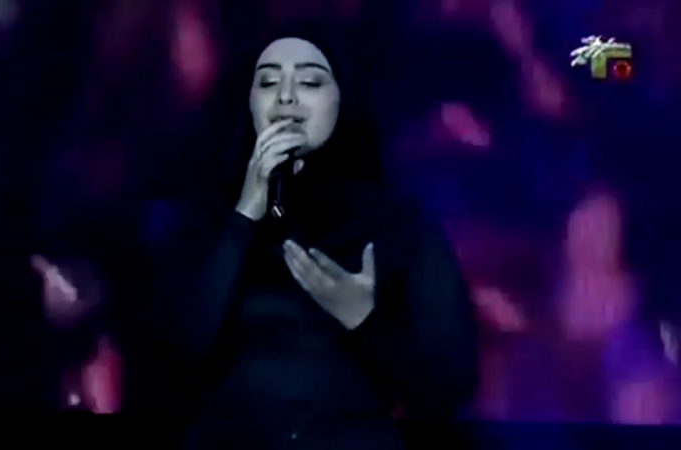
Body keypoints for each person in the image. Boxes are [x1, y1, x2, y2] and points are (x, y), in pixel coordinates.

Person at [161, 24, 479, 448]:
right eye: (269, 82)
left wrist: (364, 320)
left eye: (309, 82)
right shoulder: (205, 219)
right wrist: (244, 216)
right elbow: (172, 360)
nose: (286, 97)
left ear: (342, 100)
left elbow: (445, 392)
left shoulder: (400, 226)